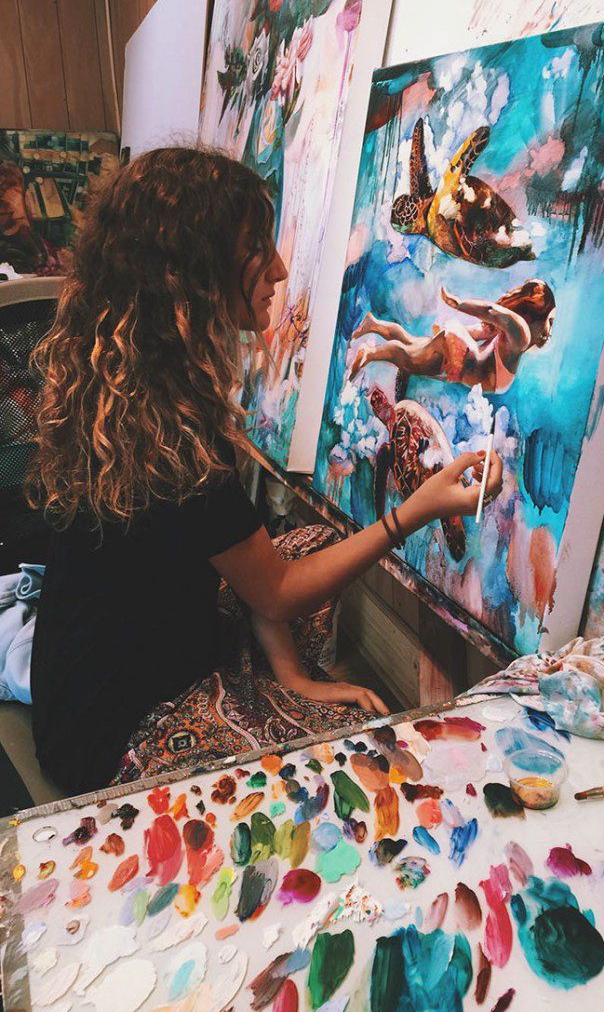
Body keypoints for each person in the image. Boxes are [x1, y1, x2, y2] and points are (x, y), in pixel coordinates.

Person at [27, 148, 501, 795]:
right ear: (195, 273)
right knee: (347, 761)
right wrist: (414, 512)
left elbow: (235, 553)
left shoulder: (139, 384)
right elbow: (274, 592)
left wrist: (293, 677)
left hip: (126, 644)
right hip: (114, 724)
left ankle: (277, 681)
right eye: (256, 248)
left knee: (315, 542)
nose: (279, 268)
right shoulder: (174, 428)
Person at [349, 280, 555, 393]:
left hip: (460, 350)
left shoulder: (507, 336)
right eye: (550, 321)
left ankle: (373, 324)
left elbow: (480, 330)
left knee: (410, 343)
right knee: (408, 359)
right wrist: (458, 304)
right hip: (459, 359)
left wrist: (449, 334)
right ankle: (370, 353)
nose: (550, 331)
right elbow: (491, 311)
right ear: (539, 315)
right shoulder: (521, 335)